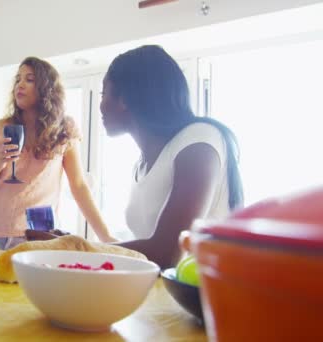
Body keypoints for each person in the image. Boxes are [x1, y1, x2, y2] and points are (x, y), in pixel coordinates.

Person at [100, 45, 244, 268]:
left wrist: (74, 248)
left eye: (104, 93)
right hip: (163, 295)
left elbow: (167, 253)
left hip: (205, 298)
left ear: (125, 99)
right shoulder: (142, 164)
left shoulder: (198, 140)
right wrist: (67, 244)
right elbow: (147, 249)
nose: (101, 105)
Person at [0, 56, 116, 250]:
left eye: (29, 79)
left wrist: (106, 237)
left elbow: (79, 186)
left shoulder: (65, 130)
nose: (20, 85)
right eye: (18, 79)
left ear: (46, 88)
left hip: (36, 237)